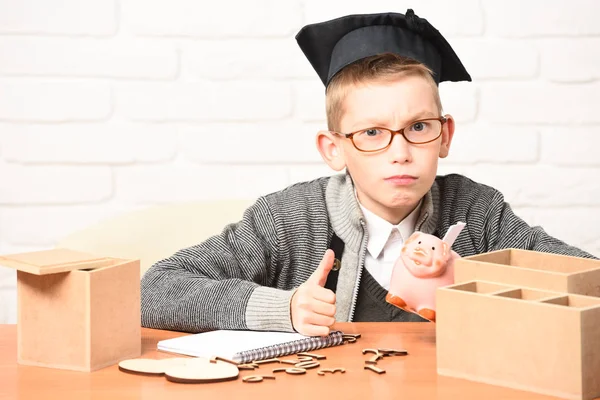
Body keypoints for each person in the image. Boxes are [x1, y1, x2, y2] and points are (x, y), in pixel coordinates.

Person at [140, 9, 598, 336]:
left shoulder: (478, 213)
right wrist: (286, 308)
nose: (399, 152)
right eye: (372, 133)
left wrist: (476, 290)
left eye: (418, 127)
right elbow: (154, 291)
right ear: (334, 149)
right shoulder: (287, 220)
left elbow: (584, 277)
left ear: (444, 135)